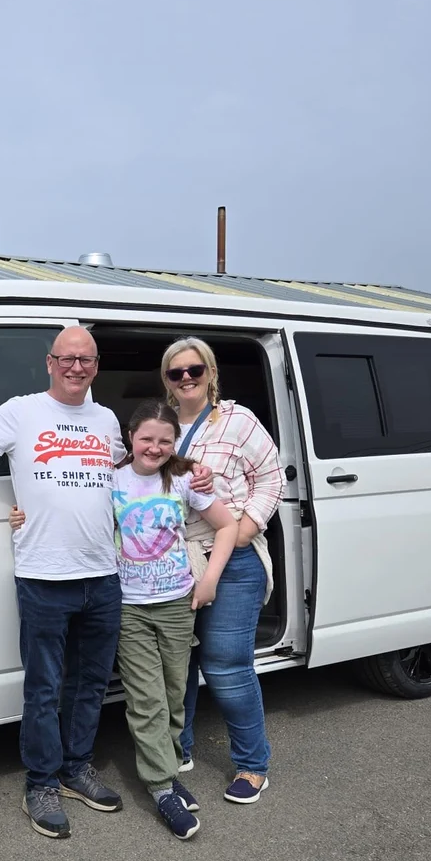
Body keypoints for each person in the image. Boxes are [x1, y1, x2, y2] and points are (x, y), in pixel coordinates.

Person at [0, 329, 212, 839]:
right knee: (43, 688)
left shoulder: (107, 421)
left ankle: (77, 768)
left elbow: (143, 465)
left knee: (90, 686)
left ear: (96, 366)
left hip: (103, 576)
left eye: (86, 359)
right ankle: (41, 782)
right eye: (67, 358)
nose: (77, 367)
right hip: (44, 575)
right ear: (50, 363)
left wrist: (195, 471)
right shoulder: (22, 411)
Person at [12, 400, 238, 839]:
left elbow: (227, 525)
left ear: (175, 444)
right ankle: (162, 788)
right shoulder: (109, 478)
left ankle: (168, 768)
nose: (154, 447)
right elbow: (64, 500)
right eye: (146, 438)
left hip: (177, 603)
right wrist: (20, 515)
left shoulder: (183, 479)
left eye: (165, 441)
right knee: (147, 699)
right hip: (128, 605)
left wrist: (209, 580)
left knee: (174, 695)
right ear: (129, 438)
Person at [160, 337, 286, 804]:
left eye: (195, 370)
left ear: (211, 373)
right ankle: (179, 749)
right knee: (179, 663)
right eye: (176, 372)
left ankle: (253, 765)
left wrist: (245, 529)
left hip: (230, 555)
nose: (186, 378)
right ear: (166, 380)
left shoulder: (238, 420)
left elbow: (271, 478)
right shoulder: (161, 424)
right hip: (174, 558)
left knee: (226, 665)